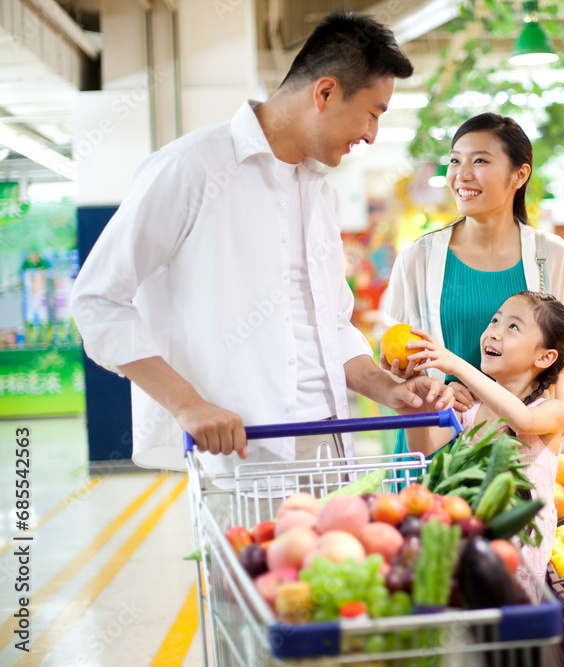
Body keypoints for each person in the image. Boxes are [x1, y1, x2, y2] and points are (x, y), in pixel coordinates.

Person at [69, 11, 451, 478]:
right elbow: (97, 301)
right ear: (325, 92)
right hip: (243, 456)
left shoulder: (320, 193)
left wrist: (387, 388)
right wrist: (187, 404)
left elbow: (331, 325)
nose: (372, 134)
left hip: (331, 445)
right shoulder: (190, 168)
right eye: (373, 113)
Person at [382, 113, 564, 453]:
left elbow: (560, 352)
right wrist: (428, 386)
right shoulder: (418, 257)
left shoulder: (549, 255)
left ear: (519, 174)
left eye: (480, 161)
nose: (462, 175)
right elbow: (397, 357)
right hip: (433, 439)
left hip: (512, 446)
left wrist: (561, 424)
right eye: (455, 161)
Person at [402, 291, 564, 589]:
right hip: (471, 552)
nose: (494, 332)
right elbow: (422, 446)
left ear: (545, 357)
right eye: (495, 320)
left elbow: (522, 420)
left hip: (521, 570)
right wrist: (413, 398)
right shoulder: (470, 408)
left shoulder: (551, 411)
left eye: (513, 326)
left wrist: (457, 365)